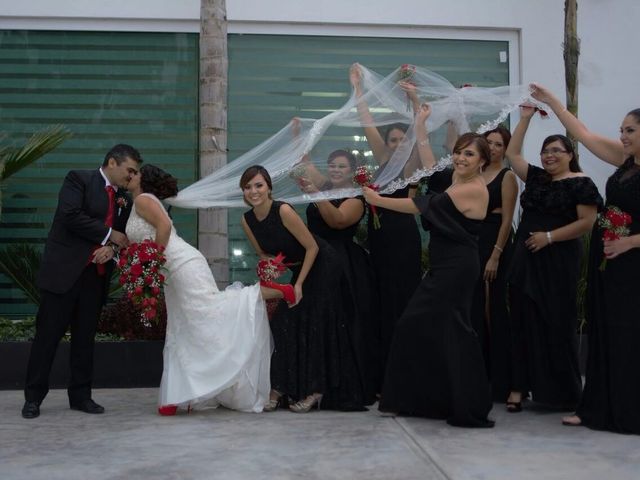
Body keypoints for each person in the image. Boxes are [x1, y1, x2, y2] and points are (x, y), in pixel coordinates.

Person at [365, 129, 495, 428]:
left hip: (456, 268)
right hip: (445, 265)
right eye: (459, 151)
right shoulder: (455, 181)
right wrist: (421, 123)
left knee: (435, 328)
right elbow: (430, 164)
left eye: (469, 154)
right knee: (439, 330)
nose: (461, 158)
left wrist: (377, 199)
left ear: (482, 162)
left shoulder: (472, 188)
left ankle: (466, 403)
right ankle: (436, 400)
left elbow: (417, 206)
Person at [531, 85, 640, 433]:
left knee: (628, 334)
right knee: (604, 330)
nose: (622, 136)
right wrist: (552, 103)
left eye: (630, 130)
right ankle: (596, 406)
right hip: (608, 259)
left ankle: (627, 409)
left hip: (633, 262)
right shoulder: (625, 163)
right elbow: (584, 134)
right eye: (622, 130)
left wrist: (631, 243)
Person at [125, 164, 274, 414]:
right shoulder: (141, 201)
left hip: (182, 264)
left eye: (135, 173)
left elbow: (163, 228)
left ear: (144, 178)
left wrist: (152, 263)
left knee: (208, 314)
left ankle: (267, 292)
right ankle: (179, 394)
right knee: (182, 327)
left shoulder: (143, 199)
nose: (131, 176)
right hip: (171, 271)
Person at [22, 144, 141, 419]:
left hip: (95, 278)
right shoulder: (78, 179)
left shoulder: (124, 198)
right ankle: (33, 398)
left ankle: (81, 396)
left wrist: (111, 248)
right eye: (129, 170)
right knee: (47, 337)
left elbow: (124, 235)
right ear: (112, 162)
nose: (131, 176)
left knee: (85, 339)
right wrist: (108, 235)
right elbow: (70, 215)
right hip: (64, 274)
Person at [241, 165, 365, 413]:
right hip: (301, 269)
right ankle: (280, 387)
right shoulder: (247, 220)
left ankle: (316, 390)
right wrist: (271, 268)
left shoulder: (283, 210)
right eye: (247, 187)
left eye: (258, 185)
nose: (253, 191)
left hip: (323, 263)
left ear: (269, 188)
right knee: (283, 323)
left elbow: (312, 247)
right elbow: (264, 254)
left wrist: (297, 284)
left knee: (316, 323)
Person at [504, 106, 602, 412]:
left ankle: (561, 392)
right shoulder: (536, 178)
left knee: (556, 322)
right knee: (522, 321)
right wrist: (524, 118)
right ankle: (519, 387)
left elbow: (586, 223)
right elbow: (513, 153)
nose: (549, 156)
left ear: (569, 154)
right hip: (525, 258)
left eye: (556, 151)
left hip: (558, 259)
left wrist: (549, 238)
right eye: (546, 151)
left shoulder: (581, 183)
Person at [349, 63, 422, 381]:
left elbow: (420, 133)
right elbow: (366, 122)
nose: (395, 145)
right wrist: (357, 89)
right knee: (379, 304)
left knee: (401, 302)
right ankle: (380, 374)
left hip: (403, 240)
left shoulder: (410, 168)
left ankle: (403, 373)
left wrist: (417, 104)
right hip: (378, 242)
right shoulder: (382, 162)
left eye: (400, 141)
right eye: (391, 141)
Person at [300, 149, 380, 404]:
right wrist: (299, 135)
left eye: (341, 167)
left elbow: (337, 221)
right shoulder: (324, 186)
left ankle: (342, 385)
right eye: (332, 165)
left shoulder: (356, 198)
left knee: (343, 319)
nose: (335, 170)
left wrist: (315, 194)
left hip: (343, 264)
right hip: (316, 260)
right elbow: (305, 163)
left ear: (352, 171)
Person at [475, 126, 518, 401]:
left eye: (498, 144)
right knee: (475, 309)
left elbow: (507, 220)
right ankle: (481, 375)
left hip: (495, 244)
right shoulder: (474, 174)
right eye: (488, 143)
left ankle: (503, 381)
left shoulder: (507, 176)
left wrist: (495, 255)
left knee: (494, 311)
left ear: (505, 149)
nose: (492, 148)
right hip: (473, 243)